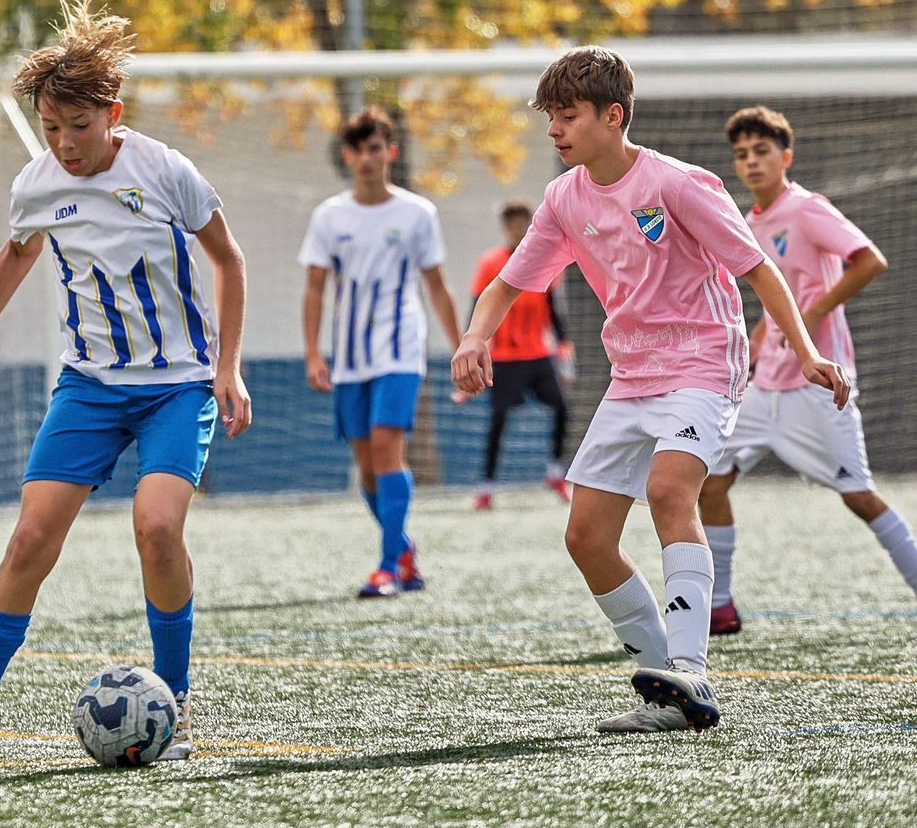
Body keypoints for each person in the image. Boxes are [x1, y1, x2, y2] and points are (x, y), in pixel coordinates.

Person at [0, 0, 251, 771]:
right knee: (29, 540)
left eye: (78, 126)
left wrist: (227, 367)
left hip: (178, 386)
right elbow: (18, 252)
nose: (63, 143)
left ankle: (175, 707)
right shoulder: (36, 185)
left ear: (112, 114)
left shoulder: (166, 171)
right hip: (88, 388)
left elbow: (228, 259)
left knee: (157, 528)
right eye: (51, 127)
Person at [454, 47, 848, 735]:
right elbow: (508, 283)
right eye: (550, 117)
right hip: (631, 375)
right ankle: (668, 692)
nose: (554, 129)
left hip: (703, 361)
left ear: (613, 116)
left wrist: (808, 351)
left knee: (669, 491)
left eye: (568, 115)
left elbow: (760, 271)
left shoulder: (679, 184)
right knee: (586, 536)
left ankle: (691, 669)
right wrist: (473, 338)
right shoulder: (563, 198)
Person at [701, 106, 916, 634]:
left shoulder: (807, 209)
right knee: (709, 480)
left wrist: (814, 313)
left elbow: (870, 260)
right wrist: (755, 343)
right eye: (742, 155)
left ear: (786, 157)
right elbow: (773, 297)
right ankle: (720, 607)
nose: (751, 162)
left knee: (859, 496)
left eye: (762, 151)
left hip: (818, 384)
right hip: (764, 387)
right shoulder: (750, 222)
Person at [300, 107, 462, 598]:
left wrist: (462, 348)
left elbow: (437, 287)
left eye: (376, 148)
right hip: (350, 358)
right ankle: (403, 549)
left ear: (390, 152)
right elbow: (314, 288)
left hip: (400, 352)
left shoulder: (417, 213)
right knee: (367, 466)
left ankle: (388, 566)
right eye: (359, 150)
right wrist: (313, 354)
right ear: (347, 156)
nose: (368, 158)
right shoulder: (329, 216)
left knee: (388, 450)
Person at [468, 200, 574, 510]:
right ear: (505, 228)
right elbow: (478, 307)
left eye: (523, 223)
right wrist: (472, 345)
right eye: (512, 224)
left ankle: (555, 473)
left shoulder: (544, 260)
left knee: (562, 407)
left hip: (538, 355)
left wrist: (563, 344)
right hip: (504, 358)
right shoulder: (490, 263)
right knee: (498, 419)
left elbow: (553, 307)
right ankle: (486, 487)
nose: (518, 229)